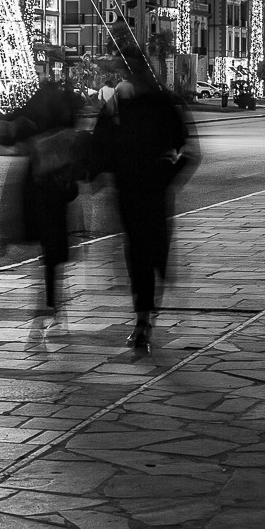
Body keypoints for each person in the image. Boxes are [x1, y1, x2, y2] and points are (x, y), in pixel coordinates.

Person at [91, 56, 197, 355]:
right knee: (144, 252)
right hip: (137, 190)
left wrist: (100, 171)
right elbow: (101, 142)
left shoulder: (151, 104)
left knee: (145, 252)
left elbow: (188, 149)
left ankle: (144, 318)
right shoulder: (140, 104)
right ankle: (144, 317)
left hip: (142, 189)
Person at [0, 78, 83, 320]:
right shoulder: (62, 112)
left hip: (38, 181)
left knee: (46, 236)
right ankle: (51, 296)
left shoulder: (35, 111)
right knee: (53, 239)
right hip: (57, 181)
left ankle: (49, 296)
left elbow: (6, 137)